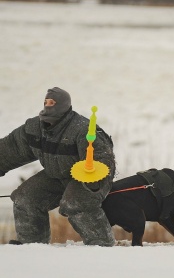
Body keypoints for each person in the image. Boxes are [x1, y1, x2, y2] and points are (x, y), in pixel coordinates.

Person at [0, 87, 116, 246]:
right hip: (55, 175)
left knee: (74, 203)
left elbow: (104, 158)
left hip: (89, 177)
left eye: (52, 102)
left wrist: (94, 181)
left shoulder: (82, 129)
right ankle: (32, 246)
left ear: (63, 105)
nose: (48, 105)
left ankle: (102, 244)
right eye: (45, 102)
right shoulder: (34, 127)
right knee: (24, 198)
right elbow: (10, 149)